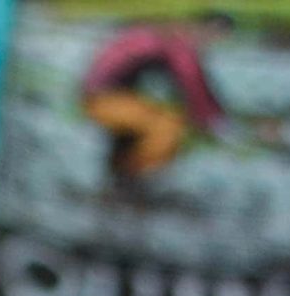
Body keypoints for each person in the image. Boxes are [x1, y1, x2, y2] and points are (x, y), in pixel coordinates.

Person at [79, 12, 235, 180]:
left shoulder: (164, 33)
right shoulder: (179, 43)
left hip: (103, 95)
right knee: (170, 127)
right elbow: (193, 84)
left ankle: (118, 176)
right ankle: (129, 176)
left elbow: (196, 85)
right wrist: (214, 121)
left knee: (150, 122)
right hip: (106, 99)